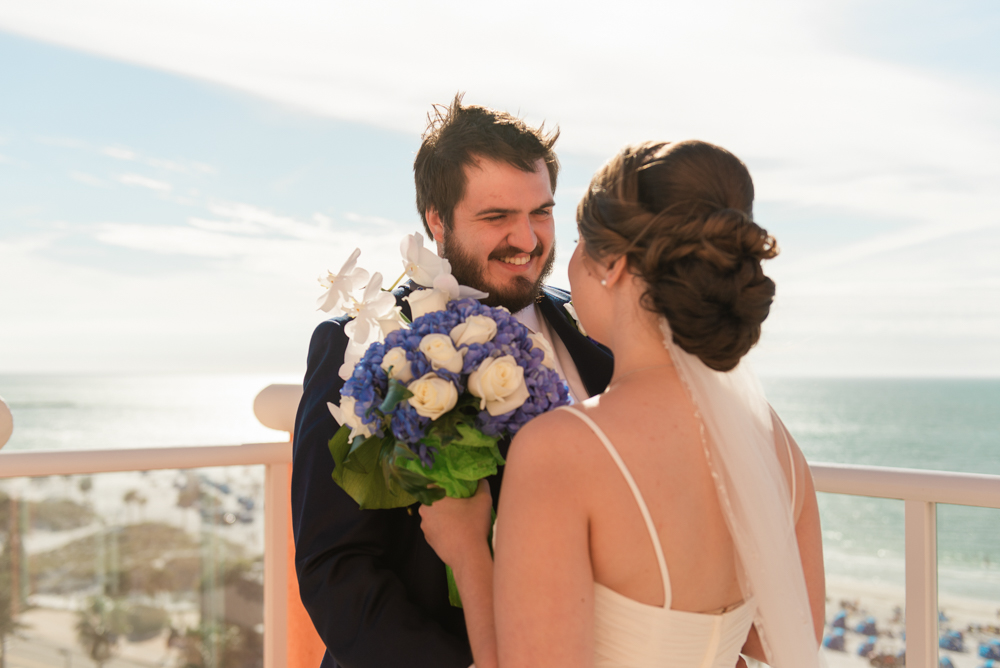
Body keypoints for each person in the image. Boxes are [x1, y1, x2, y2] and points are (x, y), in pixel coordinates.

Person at [419, 140, 827, 667]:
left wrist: (467, 550)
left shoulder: (563, 448)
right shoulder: (770, 441)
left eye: (580, 244)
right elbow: (779, 641)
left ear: (611, 264)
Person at [291, 95, 614, 668]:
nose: (528, 239)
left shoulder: (601, 330)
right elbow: (335, 567)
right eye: (496, 218)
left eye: (540, 211)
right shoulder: (366, 346)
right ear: (436, 221)